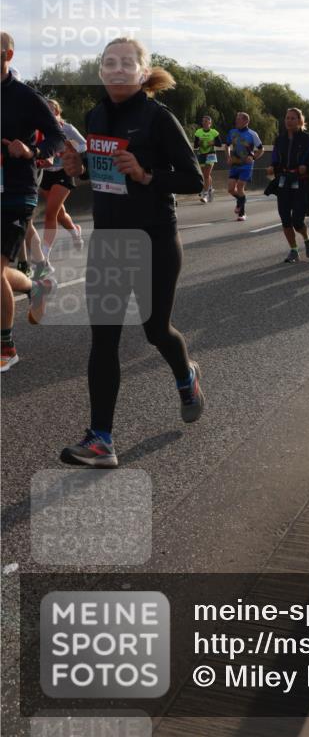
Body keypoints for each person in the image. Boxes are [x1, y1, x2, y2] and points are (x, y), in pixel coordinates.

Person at [59, 36, 205, 468]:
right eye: (109, 63)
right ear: (101, 71)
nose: (117, 69)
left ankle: (186, 375)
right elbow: (101, 170)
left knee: (155, 330)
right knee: (104, 337)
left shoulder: (158, 118)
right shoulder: (96, 114)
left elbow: (193, 179)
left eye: (127, 63)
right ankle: (100, 439)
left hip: (155, 239)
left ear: (143, 72)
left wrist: (145, 175)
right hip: (109, 241)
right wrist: (78, 169)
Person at [1, 31, 65, 370]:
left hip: (16, 189)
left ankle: (6, 348)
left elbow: (57, 135)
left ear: (7, 55)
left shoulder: (25, 96)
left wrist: (32, 151)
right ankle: (38, 286)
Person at [38, 99, 87, 264]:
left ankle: (44, 256)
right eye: (45, 110)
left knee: (50, 213)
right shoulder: (39, 129)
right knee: (59, 214)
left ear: (58, 113)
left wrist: (69, 151)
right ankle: (75, 232)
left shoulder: (67, 128)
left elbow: (85, 145)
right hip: (45, 174)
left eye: (52, 110)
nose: (48, 113)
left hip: (63, 173)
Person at [269, 108, 309, 262]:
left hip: (301, 182)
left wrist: (308, 167)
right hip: (284, 181)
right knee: (285, 218)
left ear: (300, 121)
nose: (289, 121)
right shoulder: (280, 140)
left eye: (292, 118)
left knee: (297, 221)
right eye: (287, 118)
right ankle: (293, 250)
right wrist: (273, 167)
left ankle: (306, 238)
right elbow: (275, 158)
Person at [225, 112, 263, 221]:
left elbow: (261, 149)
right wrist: (228, 157)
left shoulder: (252, 134)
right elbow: (227, 145)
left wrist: (254, 157)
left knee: (240, 186)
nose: (236, 121)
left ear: (246, 121)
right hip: (235, 163)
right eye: (236, 119)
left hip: (246, 165)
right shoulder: (232, 132)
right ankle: (241, 200)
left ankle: (242, 213)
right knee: (231, 189)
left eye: (238, 119)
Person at [193, 114, 222, 203]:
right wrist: (199, 143)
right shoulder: (198, 132)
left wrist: (213, 143)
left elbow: (220, 144)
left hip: (211, 154)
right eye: (203, 121)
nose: (204, 123)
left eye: (206, 121)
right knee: (204, 175)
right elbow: (195, 146)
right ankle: (210, 188)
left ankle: (205, 194)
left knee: (206, 174)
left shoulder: (214, 132)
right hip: (201, 154)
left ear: (210, 123)